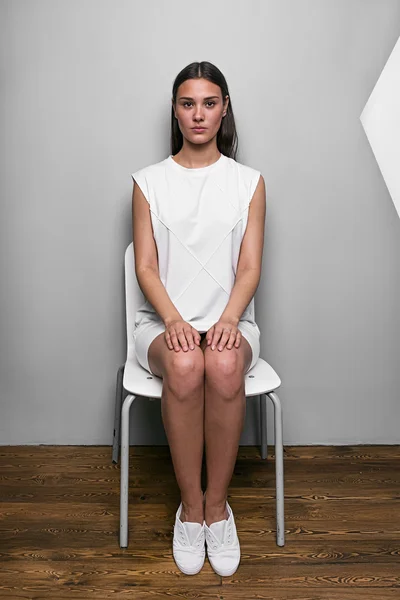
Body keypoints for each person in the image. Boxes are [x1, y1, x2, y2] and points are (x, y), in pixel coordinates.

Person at [130, 61, 266, 577]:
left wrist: (229, 319)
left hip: (232, 319)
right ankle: (191, 511)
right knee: (188, 366)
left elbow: (249, 268)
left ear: (224, 108)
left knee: (224, 365)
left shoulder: (249, 183)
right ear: (175, 111)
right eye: (188, 104)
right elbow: (145, 267)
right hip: (161, 323)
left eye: (209, 103)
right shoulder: (148, 182)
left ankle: (218, 507)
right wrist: (174, 321)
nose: (199, 114)